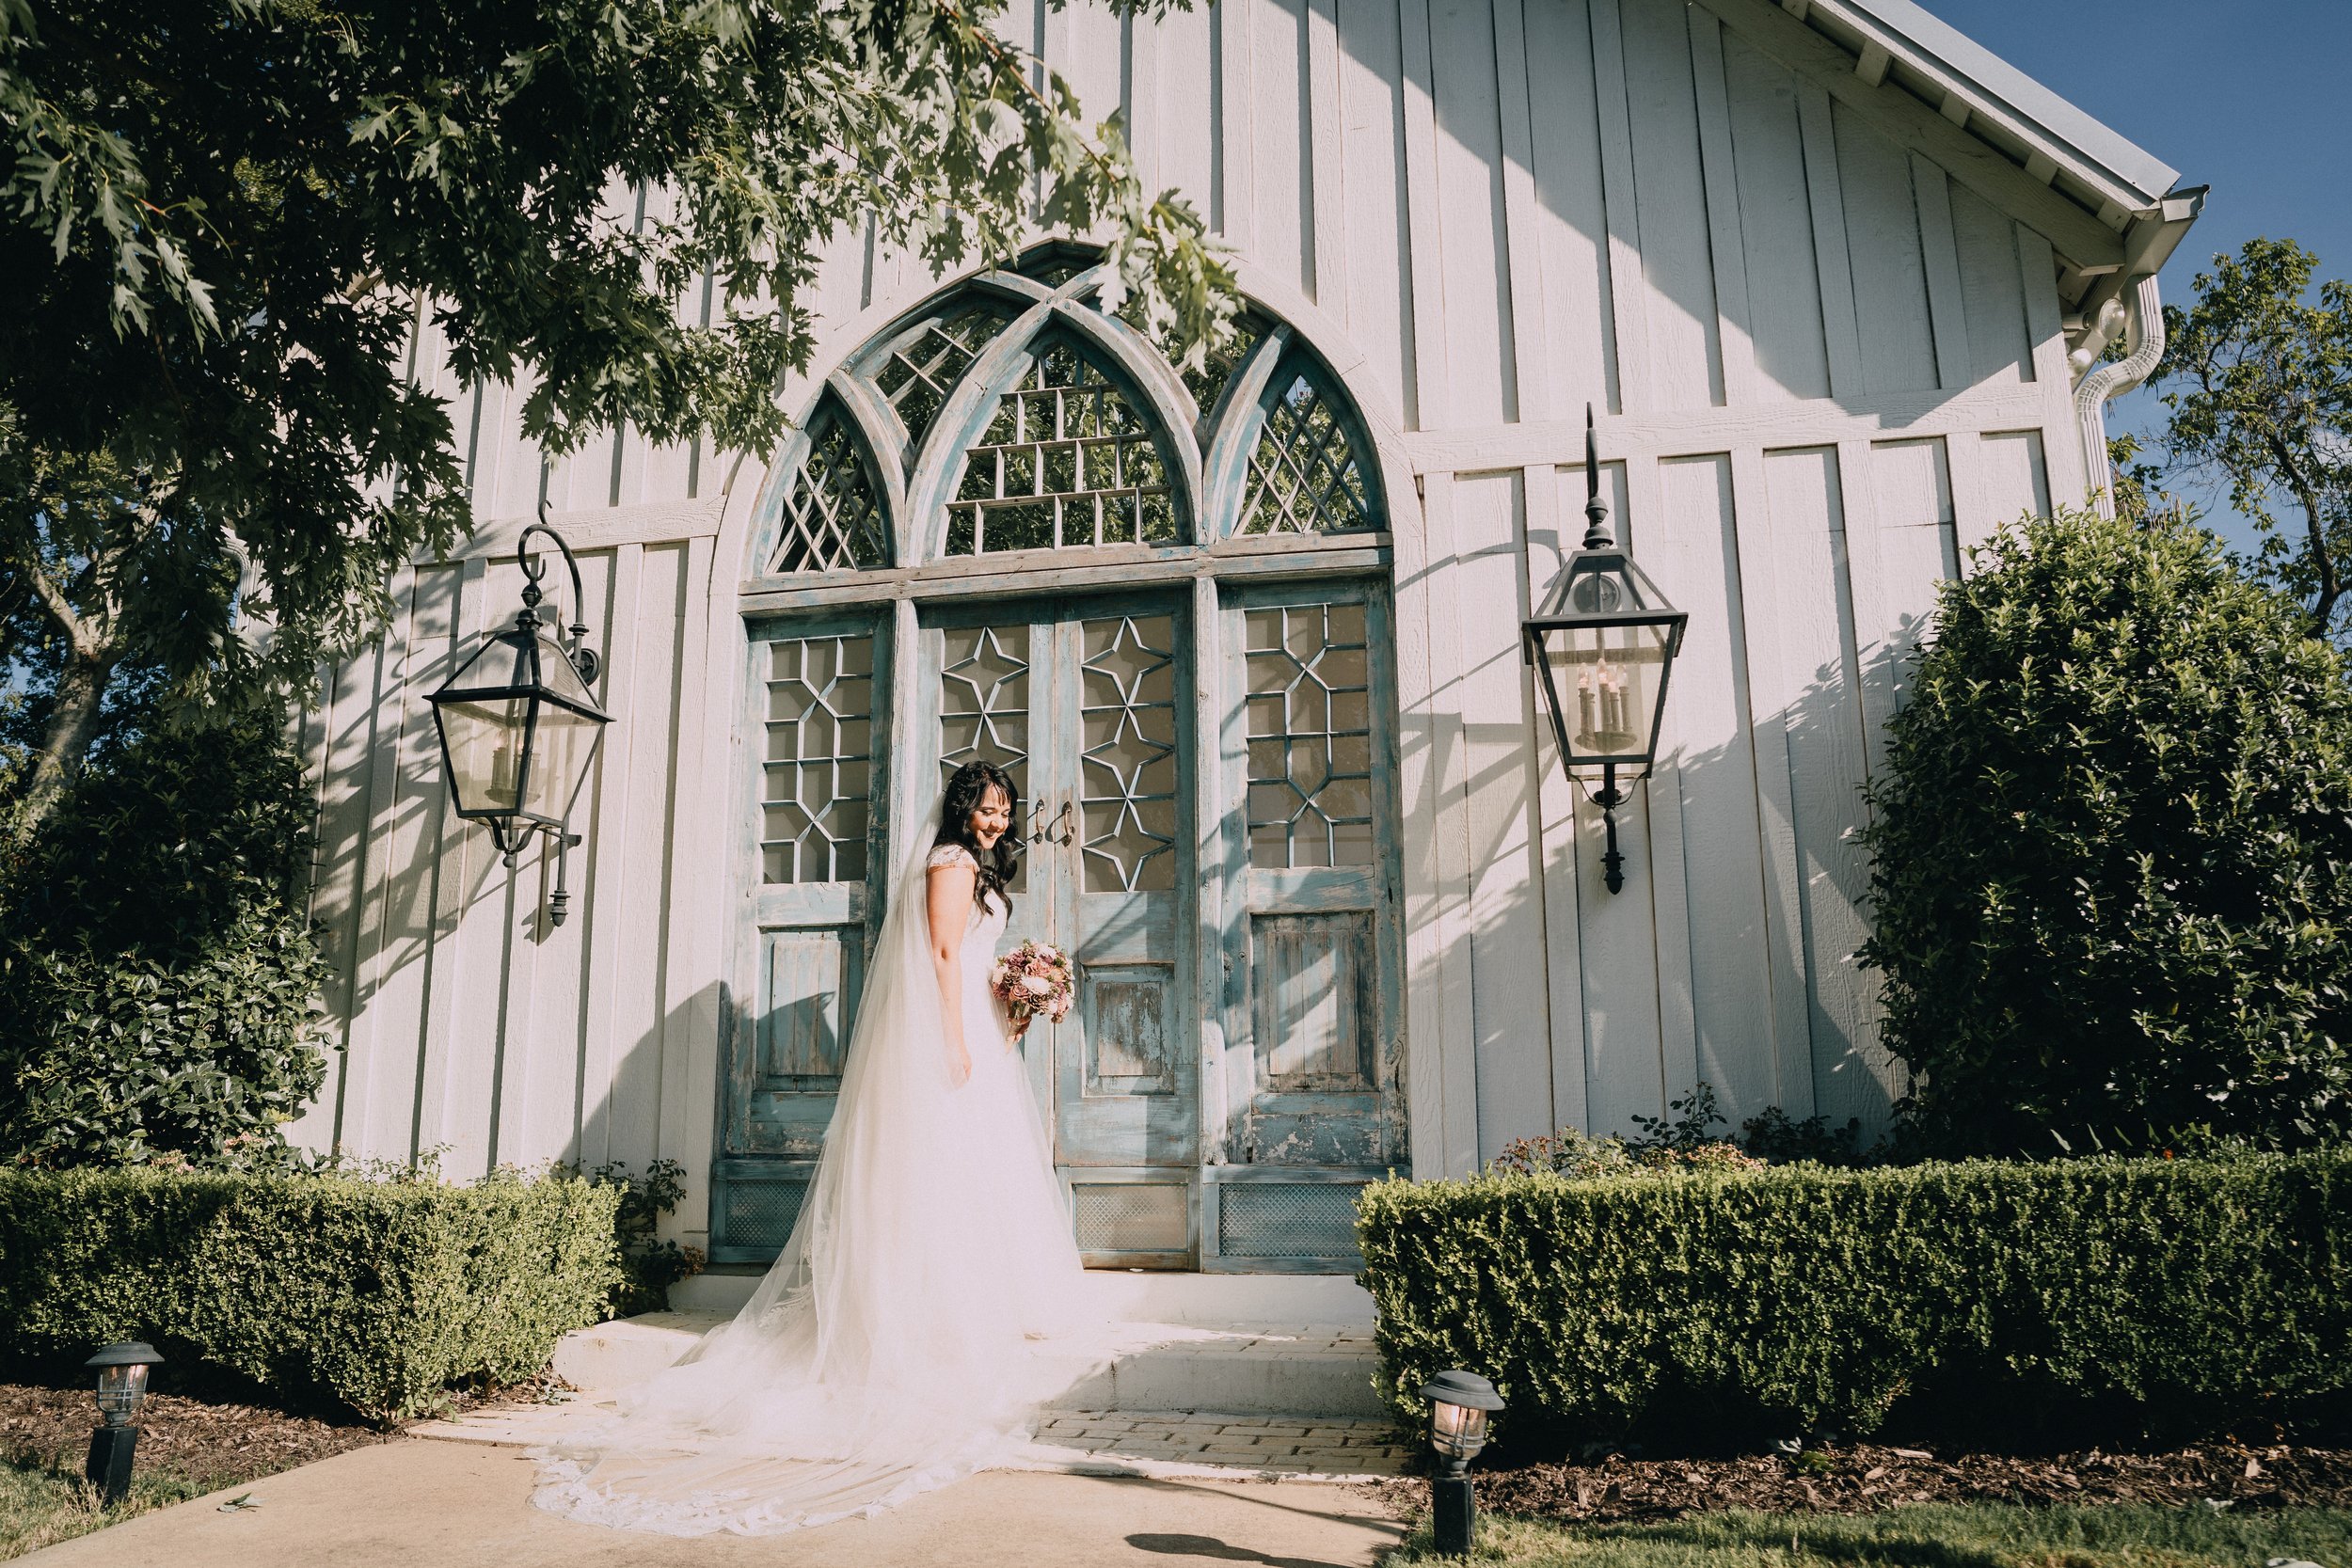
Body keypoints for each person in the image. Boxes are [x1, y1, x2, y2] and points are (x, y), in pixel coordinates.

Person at [532, 762, 1116, 1536]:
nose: (995, 819)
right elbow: (943, 956)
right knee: (939, 1173)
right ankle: (928, 1314)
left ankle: (979, 1297)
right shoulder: (947, 864)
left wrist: (1014, 996)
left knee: (974, 1175)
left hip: (975, 1022)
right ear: (960, 811)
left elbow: (974, 963)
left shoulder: (977, 869)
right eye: (984, 807)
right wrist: (955, 1035)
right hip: (948, 1027)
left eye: (1004, 809)